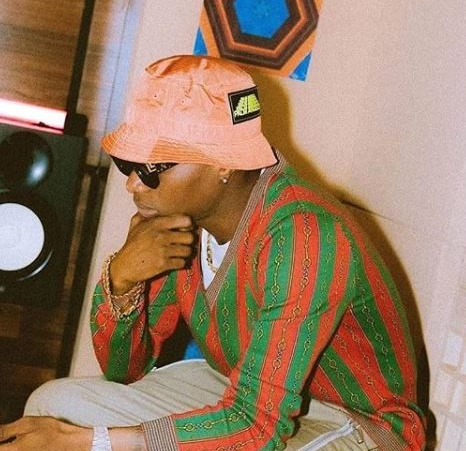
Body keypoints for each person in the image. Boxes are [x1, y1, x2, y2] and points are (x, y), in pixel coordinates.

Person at [0, 55, 426, 451]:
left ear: (223, 162)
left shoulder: (305, 237)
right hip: (241, 388)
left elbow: (257, 428)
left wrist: (93, 441)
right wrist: (122, 280)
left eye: (152, 169)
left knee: (81, 439)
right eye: (127, 164)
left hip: (357, 422)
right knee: (55, 407)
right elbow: (124, 370)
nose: (133, 185)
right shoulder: (179, 223)